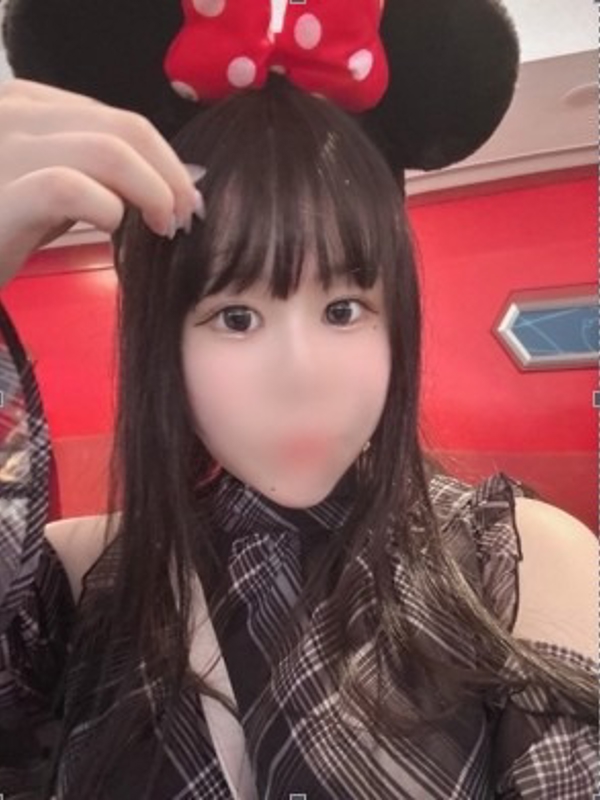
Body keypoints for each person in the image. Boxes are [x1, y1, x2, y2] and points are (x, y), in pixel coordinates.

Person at [0, 3, 597, 799]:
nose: (301, 375)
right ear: (160, 343)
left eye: (344, 309)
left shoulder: (517, 565)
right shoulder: (76, 585)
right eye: (236, 317)